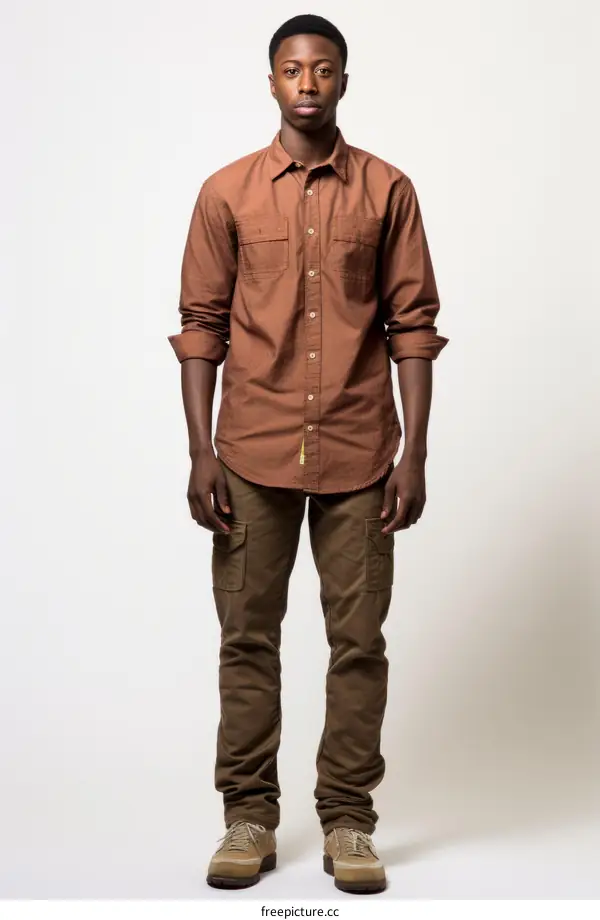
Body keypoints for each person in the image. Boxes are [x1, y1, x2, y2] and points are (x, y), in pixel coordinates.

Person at [168, 13, 449, 895]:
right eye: (292, 69)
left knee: (357, 643)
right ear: (271, 81)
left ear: (343, 82)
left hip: (364, 450)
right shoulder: (226, 193)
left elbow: (415, 327)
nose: (307, 83)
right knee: (247, 640)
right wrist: (198, 452)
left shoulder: (389, 190)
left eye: (323, 70)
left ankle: (349, 823)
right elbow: (201, 327)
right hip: (248, 453)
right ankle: (248, 815)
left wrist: (415, 454)